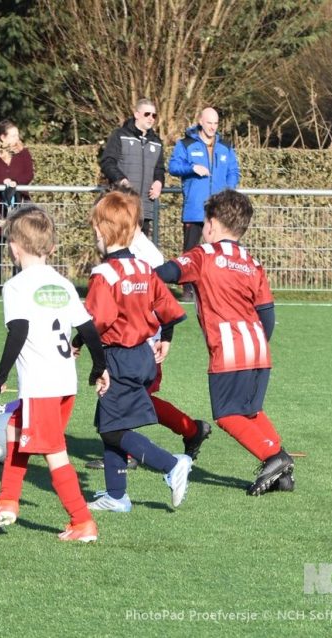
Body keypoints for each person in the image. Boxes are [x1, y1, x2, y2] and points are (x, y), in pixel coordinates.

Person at [0, 205, 108, 542]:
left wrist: (1, 374)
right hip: (65, 382)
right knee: (15, 428)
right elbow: (88, 329)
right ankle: (7, 499)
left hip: (41, 386)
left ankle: (82, 520)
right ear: (51, 247)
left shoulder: (16, 286)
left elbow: (18, 330)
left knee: (54, 452)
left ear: (14, 247)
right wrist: (99, 365)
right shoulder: (62, 283)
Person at [155, 190, 293, 495]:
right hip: (259, 349)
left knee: (227, 415)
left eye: (205, 222)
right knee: (251, 411)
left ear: (212, 224)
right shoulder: (252, 262)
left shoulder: (203, 255)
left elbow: (167, 272)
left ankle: (274, 458)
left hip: (229, 351)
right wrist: (257, 345)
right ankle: (282, 471)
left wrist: (142, 276)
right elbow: (267, 314)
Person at [84, 187, 212, 472]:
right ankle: (119, 480)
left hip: (139, 342)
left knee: (132, 400)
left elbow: (159, 300)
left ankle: (179, 442)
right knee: (131, 400)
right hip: (136, 341)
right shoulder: (126, 250)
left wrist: (165, 336)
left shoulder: (144, 255)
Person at [167, 107, 241, 301]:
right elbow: (173, 167)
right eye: (209, 123)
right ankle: (188, 290)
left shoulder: (225, 146)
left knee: (221, 252)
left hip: (219, 210)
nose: (213, 127)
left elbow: (234, 171)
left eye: (216, 123)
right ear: (200, 121)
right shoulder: (185, 144)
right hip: (194, 209)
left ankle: (219, 289)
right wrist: (192, 168)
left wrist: (228, 190)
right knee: (191, 252)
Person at [0, 120, 34, 295]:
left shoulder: (24, 154)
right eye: (13, 135)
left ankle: (17, 283)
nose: (16, 138)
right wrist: (3, 182)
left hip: (19, 204)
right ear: (2, 137)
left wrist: (15, 183)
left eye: (17, 135)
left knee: (19, 244)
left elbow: (28, 175)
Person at [99, 98, 165, 237]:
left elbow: (159, 169)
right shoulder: (120, 135)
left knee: (140, 247)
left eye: (154, 115)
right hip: (123, 204)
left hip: (144, 207)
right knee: (120, 244)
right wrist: (121, 180)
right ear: (136, 114)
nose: (151, 118)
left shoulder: (157, 142)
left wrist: (159, 182)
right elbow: (107, 162)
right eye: (147, 114)